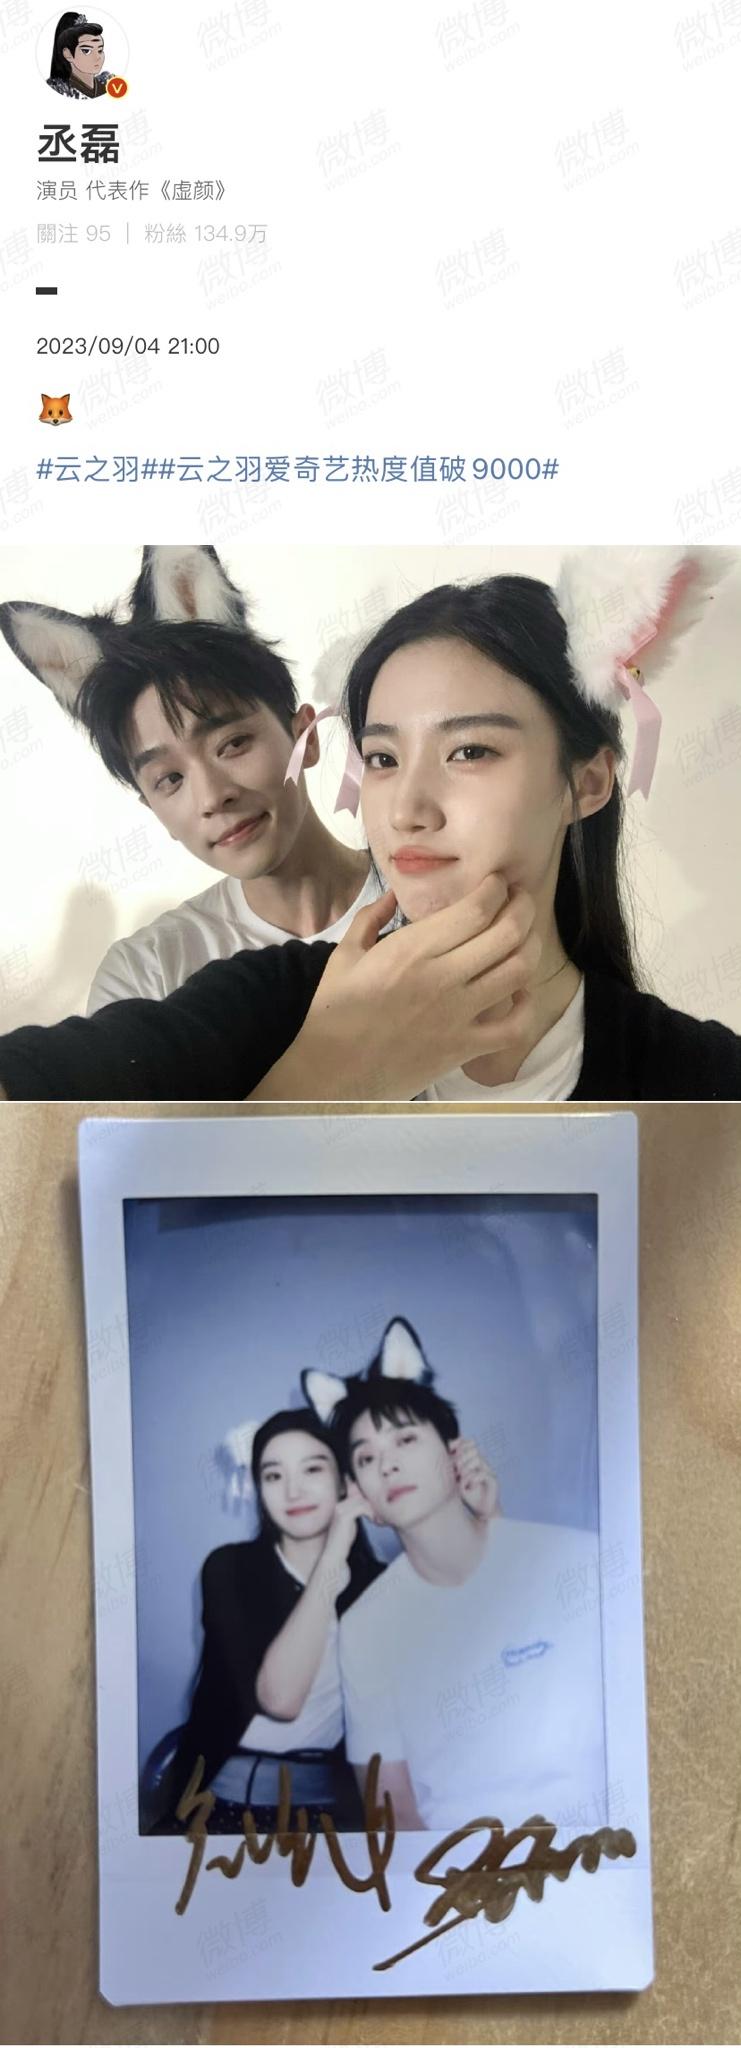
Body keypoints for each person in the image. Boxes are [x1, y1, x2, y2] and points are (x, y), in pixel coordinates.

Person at [2, 561, 741, 1101]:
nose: (405, 809)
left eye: (469, 751)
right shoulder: (265, 996)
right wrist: (332, 1072)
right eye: (383, 759)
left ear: (588, 781)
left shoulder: (697, 1076)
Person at [0, 546, 377, 1011]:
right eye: (170, 779)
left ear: (306, 736)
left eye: (232, 744)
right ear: (155, 810)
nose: (212, 797)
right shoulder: (148, 975)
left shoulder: (430, 894)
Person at [146, 1398, 497, 1833]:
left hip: (332, 1812)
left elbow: (475, 1651)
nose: (293, 1491)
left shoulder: (379, 1586)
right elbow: (281, 1699)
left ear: (345, 1482)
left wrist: (485, 1518)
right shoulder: (230, 1568)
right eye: (273, 1475)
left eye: (312, 1469)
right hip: (220, 1806)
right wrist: (331, 1561)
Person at [330, 1353, 605, 1835]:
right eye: (366, 1458)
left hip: (594, 1855)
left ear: (455, 1452)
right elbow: (393, 1815)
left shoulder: (578, 1562)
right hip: (458, 1870)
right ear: (360, 1496)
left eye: (406, 1439)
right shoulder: (364, 1628)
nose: (388, 1464)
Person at [47, 13, 112, 97]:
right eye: (86, 51)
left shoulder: (109, 84)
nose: (97, 57)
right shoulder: (61, 91)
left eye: (100, 50)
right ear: (68, 54)